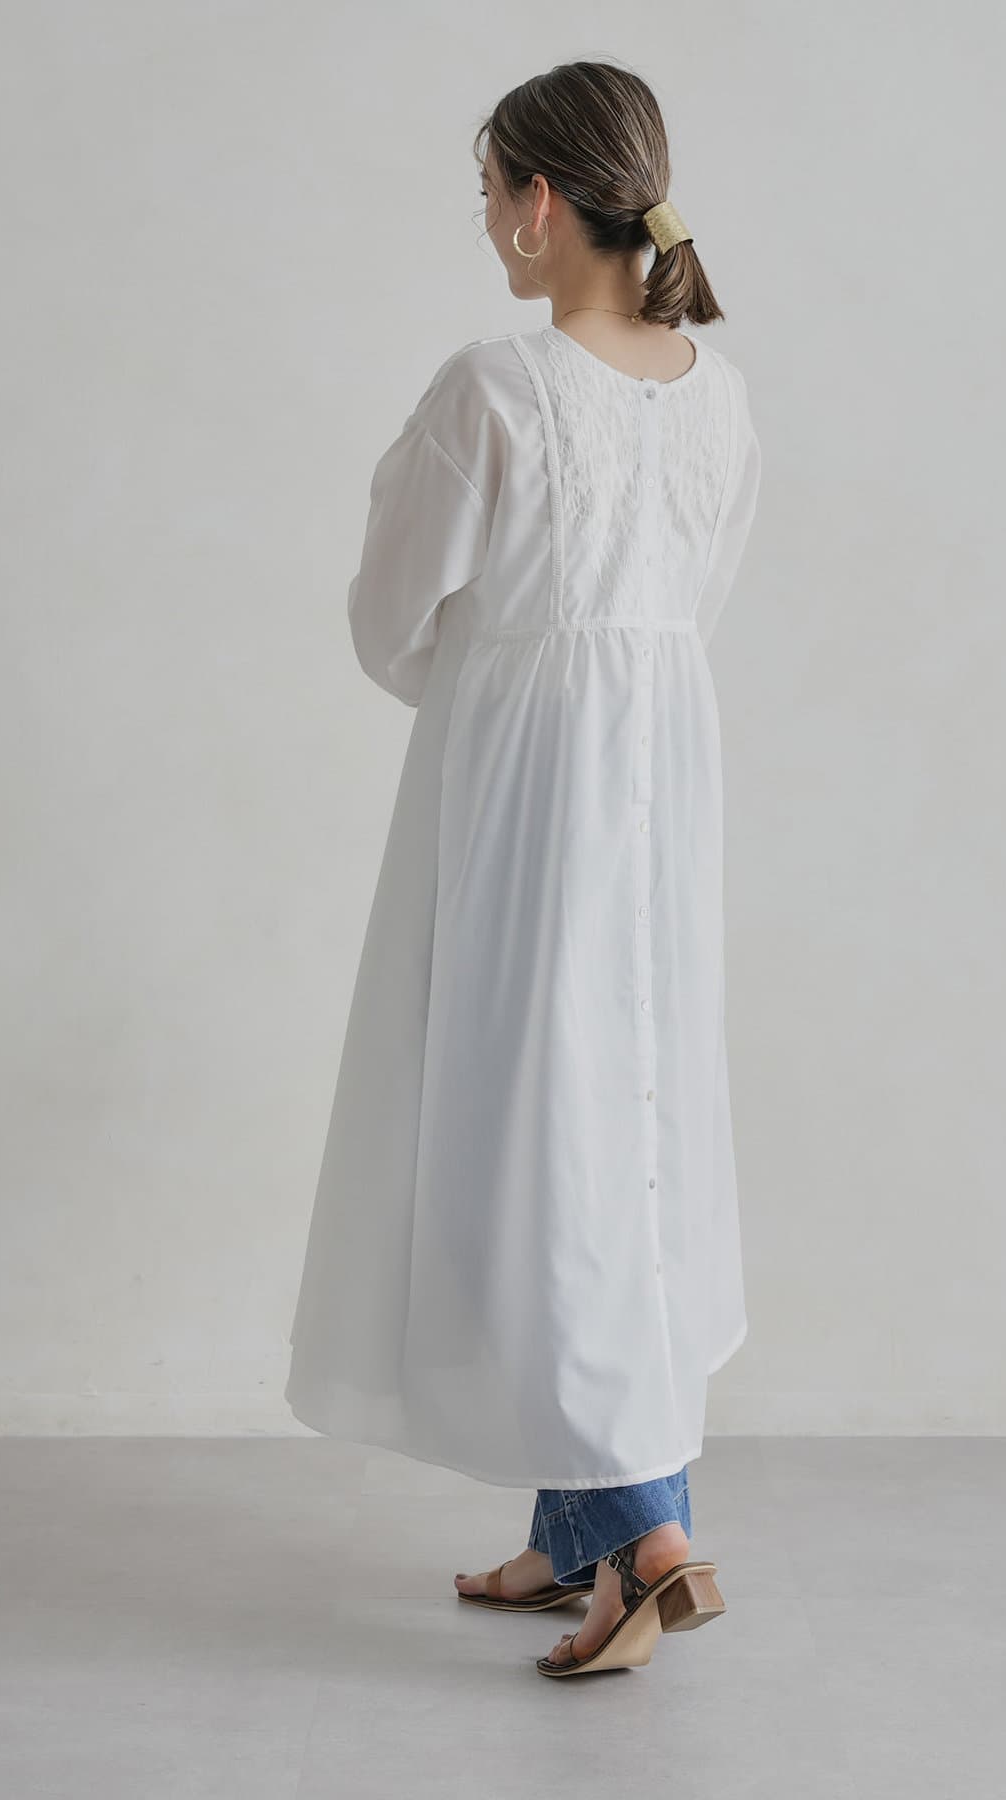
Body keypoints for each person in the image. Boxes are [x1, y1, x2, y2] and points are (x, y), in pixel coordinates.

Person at [284, 59, 763, 1678]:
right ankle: (582, 1531)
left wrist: (495, 686)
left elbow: (389, 619)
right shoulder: (718, 393)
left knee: (536, 1130)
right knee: (630, 1120)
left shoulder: (494, 388)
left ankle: (644, 1537)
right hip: (661, 783)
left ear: (538, 202)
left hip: (525, 791)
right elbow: (692, 607)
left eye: (488, 191)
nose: (487, 222)